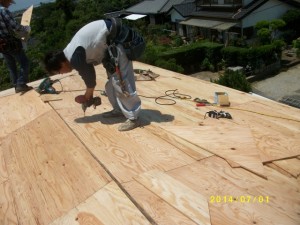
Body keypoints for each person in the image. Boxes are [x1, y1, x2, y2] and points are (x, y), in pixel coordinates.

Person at [43, 19, 142, 131]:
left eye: (60, 71)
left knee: (121, 83)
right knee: (110, 86)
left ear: (61, 63)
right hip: (109, 45)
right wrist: (88, 96)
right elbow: (89, 72)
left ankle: (134, 118)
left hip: (117, 41)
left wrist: (87, 97)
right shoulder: (70, 53)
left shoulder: (74, 57)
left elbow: (90, 79)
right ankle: (119, 110)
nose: (62, 74)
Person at [0, 0, 32, 93]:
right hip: (9, 42)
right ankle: (21, 84)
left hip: (1, 45)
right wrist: (26, 28)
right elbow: (15, 26)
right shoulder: (3, 11)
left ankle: (16, 85)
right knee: (24, 62)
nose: (10, 4)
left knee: (11, 65)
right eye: (9, 2)